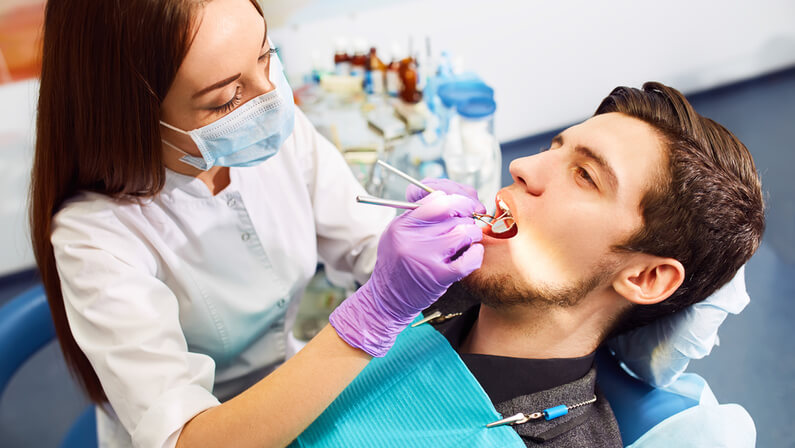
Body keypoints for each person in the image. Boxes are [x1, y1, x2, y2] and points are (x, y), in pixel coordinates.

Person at [28, 1, 485, 447]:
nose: (270, 99)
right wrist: (372, 317)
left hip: (295, 385)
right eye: (226, 99)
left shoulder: (263, 131)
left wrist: (423, 241)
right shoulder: (95, 237)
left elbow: (364, 242)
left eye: (267, 55)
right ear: (130, 115)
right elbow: (186, 438)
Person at [293, 82, 765, 447]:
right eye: (554, 148)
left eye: (584, 175)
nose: (522, 165)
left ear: (644, 277)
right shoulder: (428, 289)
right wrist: (377, 304)